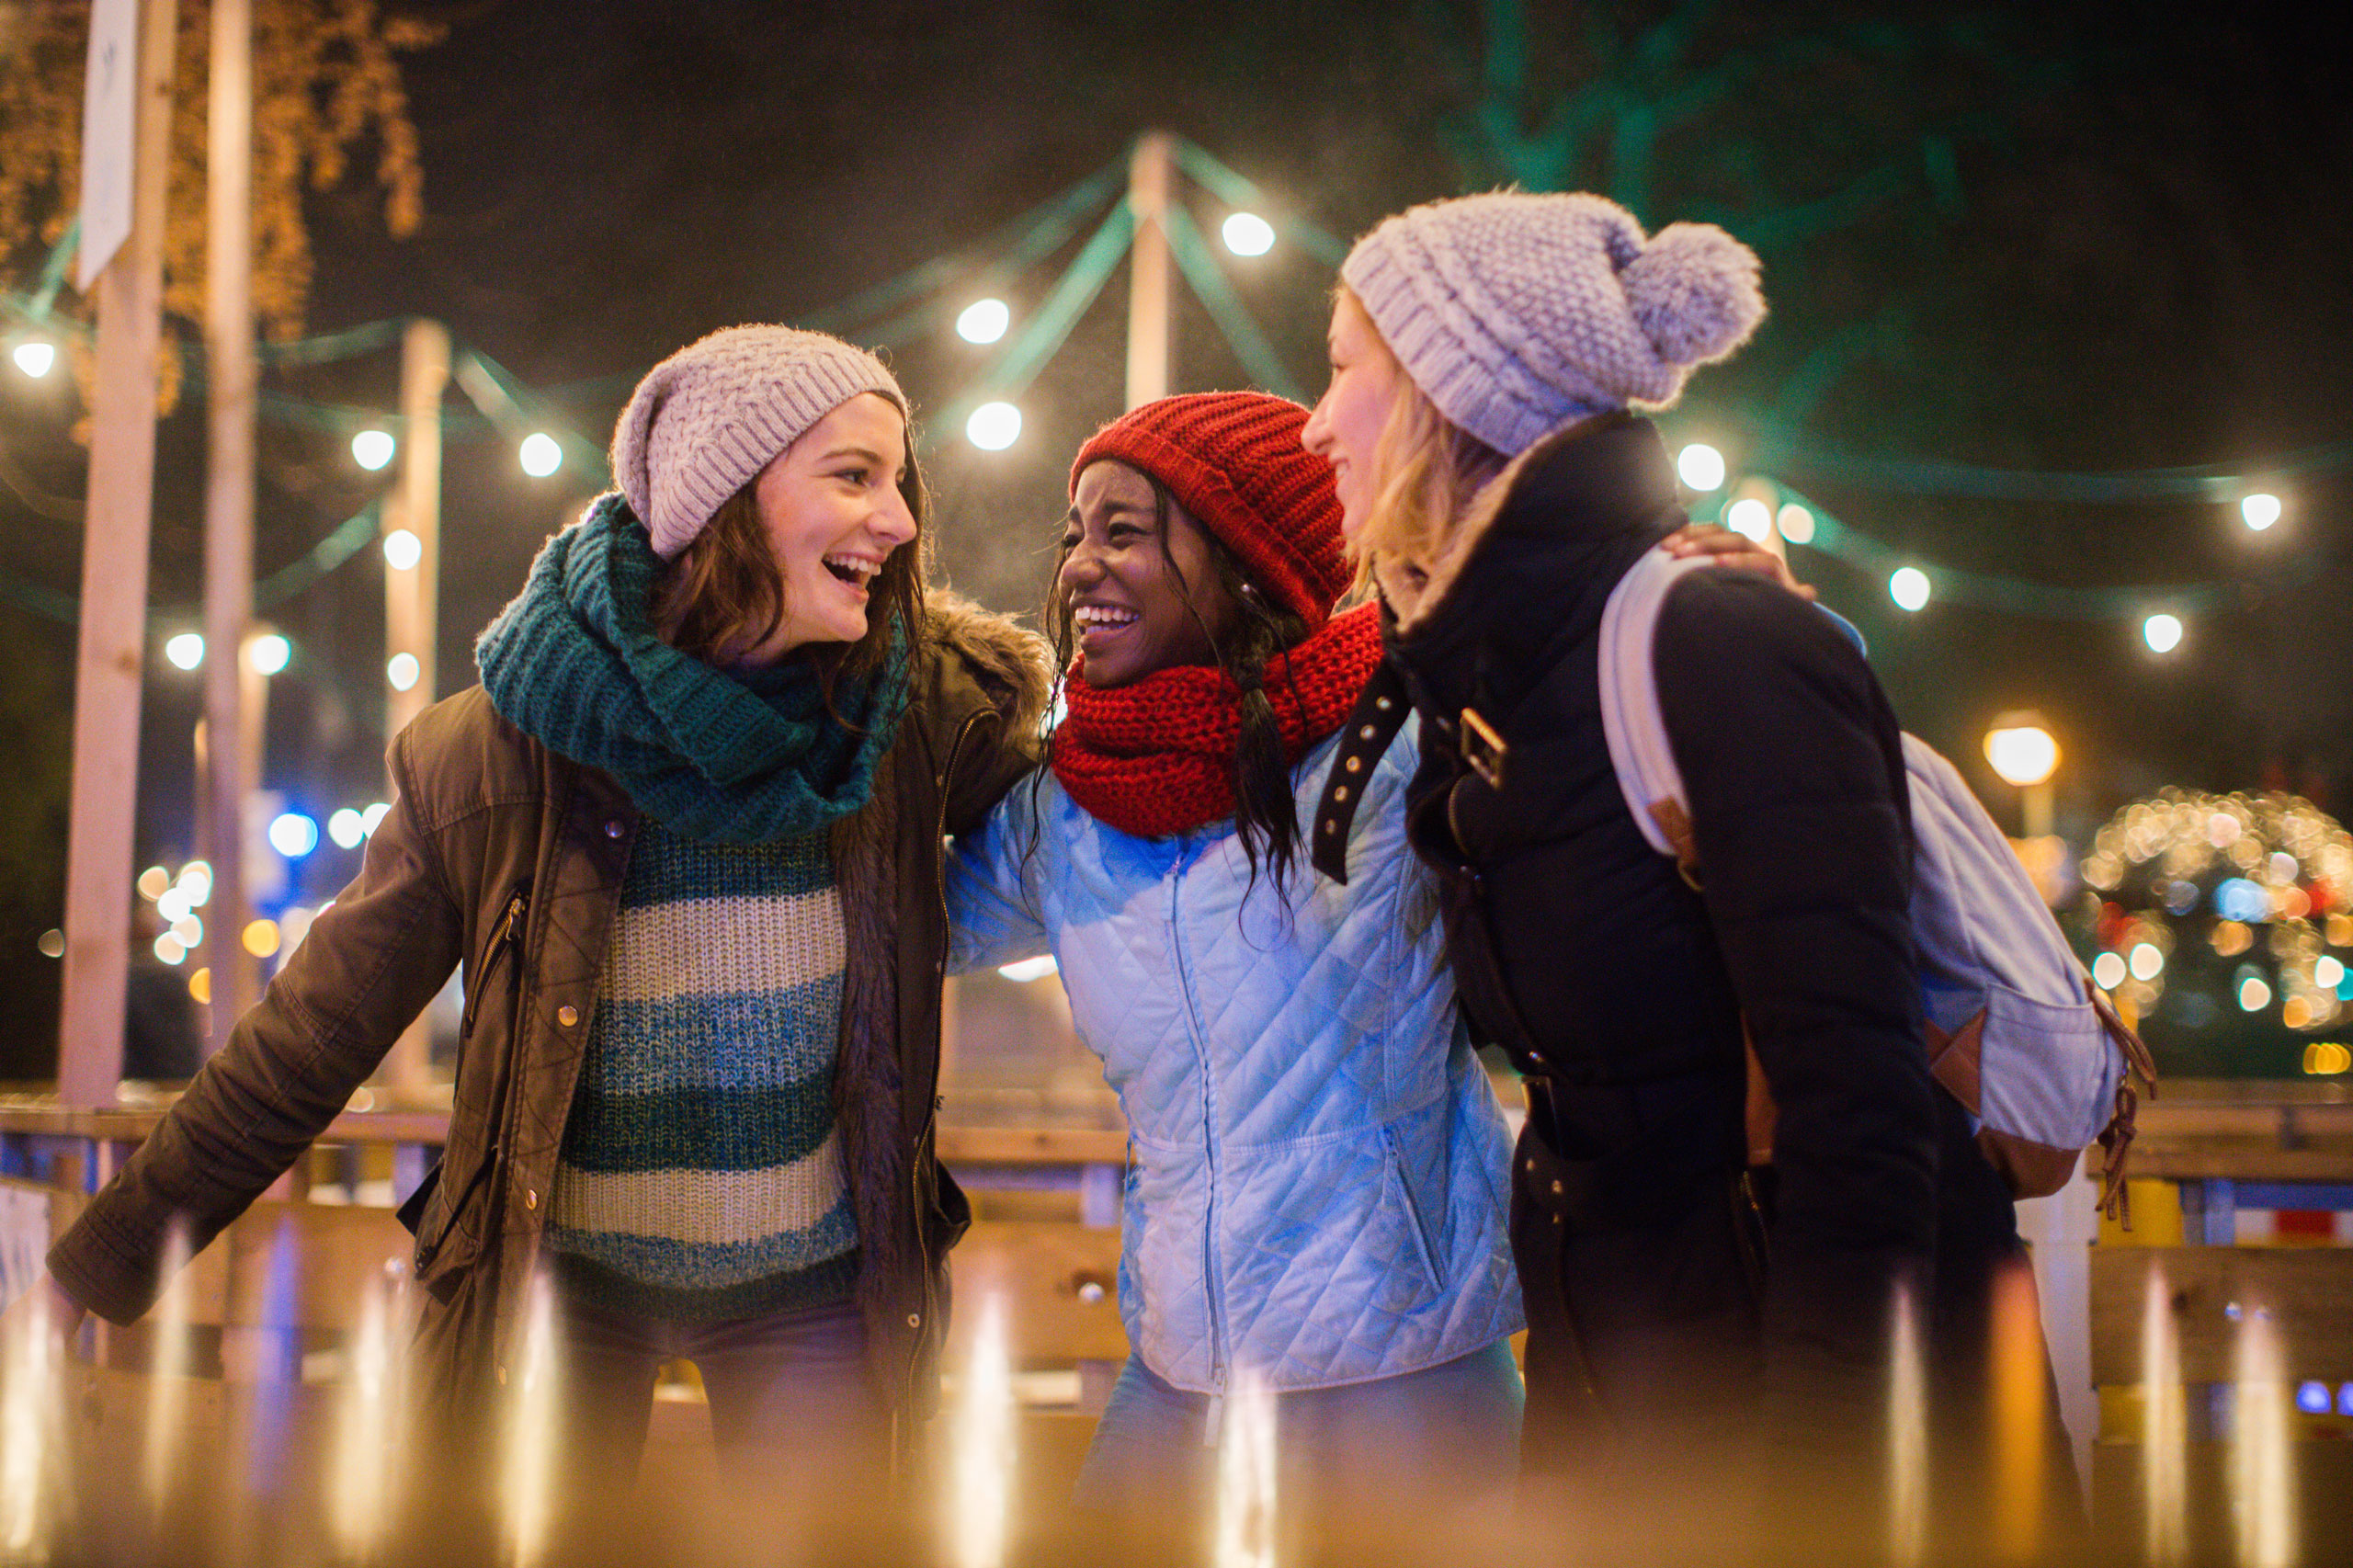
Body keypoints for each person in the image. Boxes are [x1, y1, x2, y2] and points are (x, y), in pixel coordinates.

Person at [18, 325, 1050, 1548]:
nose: (897, 520)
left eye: (898, 481)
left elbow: (1112, 817)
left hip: (816, 1292)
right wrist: (91, 1269)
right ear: (726, 494)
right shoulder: (498, 752)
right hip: (563, 1294)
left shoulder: (914, 724)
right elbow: (312, 1033)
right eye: (853, 475)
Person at [1299, 191, 2066, 1561]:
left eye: (1346, 367)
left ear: (1451, 397)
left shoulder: (1713, 643)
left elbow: (1858, 1106)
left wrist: (1823, 1486)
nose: (1317, 420)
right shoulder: (1491, 677)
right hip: (1627, 1392)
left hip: (1810, 1423)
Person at [943, 392, 1790, 1555]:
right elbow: (899, 918)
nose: (1083, 563)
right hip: (1183, 1362)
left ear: (1248, 561)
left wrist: (1725, 619)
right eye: (1074, 532)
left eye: (1126, 531)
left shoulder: (1398, 749)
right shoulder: (1065, 811)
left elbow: (1628, 769)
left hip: (1405, 1357)